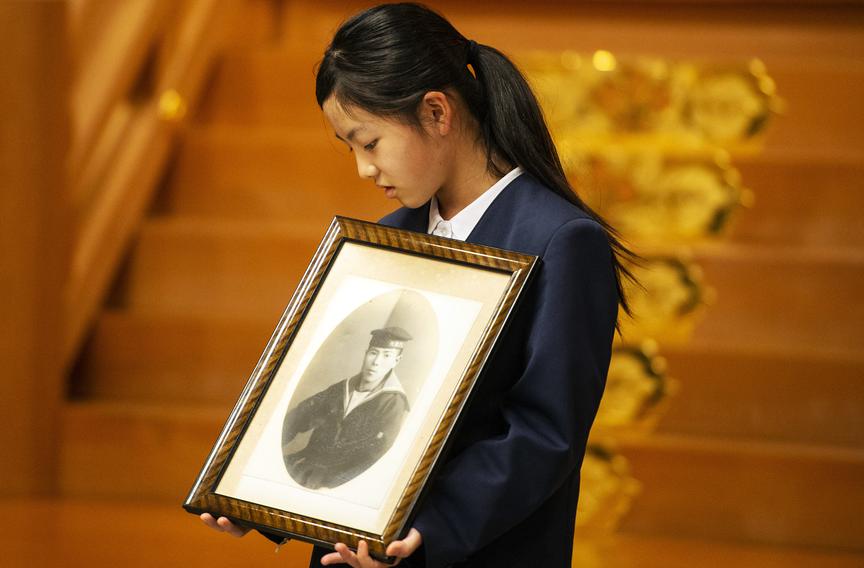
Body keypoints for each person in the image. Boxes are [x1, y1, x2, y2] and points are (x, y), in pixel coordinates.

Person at [201, 3, 634, 567]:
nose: (362, 168)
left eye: (370, 142)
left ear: (436, 111)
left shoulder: (562, 240)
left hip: (472, 552)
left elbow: (544, 433)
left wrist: (430, 530)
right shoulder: (382, 239)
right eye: (350, 147)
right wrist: (259, 495)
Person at [281, 326, 412, 490]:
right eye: (373, 353)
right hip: (307, 466)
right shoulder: (342, 388)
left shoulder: (393, 402)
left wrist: (332, 486)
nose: (377, 362)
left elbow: (376, 456)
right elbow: (302, 414)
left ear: (396, 361)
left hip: (339, 483)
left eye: (387, 356)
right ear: (366, 354)